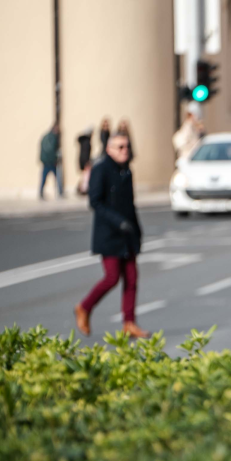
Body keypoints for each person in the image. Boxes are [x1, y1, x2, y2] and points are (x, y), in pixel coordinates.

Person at [73, 133, 151, 340]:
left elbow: (130, 203)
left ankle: (129, 323)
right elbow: (95, 202)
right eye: (120, 147)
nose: (125, 150)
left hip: (127, 233)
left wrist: (137, 230)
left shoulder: (127, 170)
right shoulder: (101, 169)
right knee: (112, 277)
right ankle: (84, 307)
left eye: (127, 146)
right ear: (109, 149)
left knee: (132, 278)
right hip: (109, 234)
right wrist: (118, 222)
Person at [39, 123, 63, 199]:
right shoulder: (53, 138)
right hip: (51, 162)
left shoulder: (45, 137)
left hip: (45, 161)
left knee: (44, 178)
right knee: (57, 177)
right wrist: (55, 159)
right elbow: (52, 150)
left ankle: (41, 192)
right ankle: (60, 192)